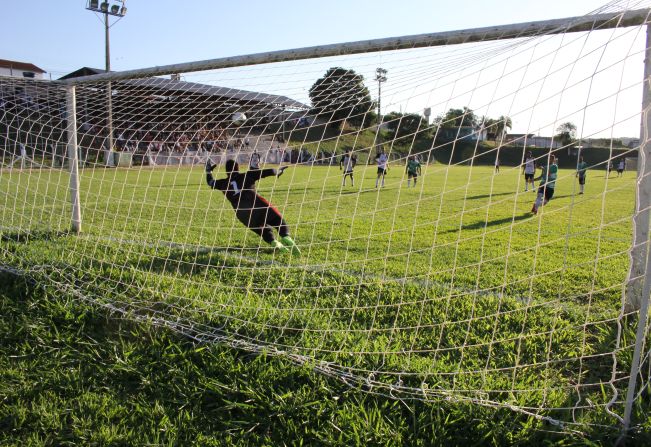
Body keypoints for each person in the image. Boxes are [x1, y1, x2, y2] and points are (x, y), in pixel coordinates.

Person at [205, 159, 300, 254]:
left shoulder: (222, 183)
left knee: (264, 230)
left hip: (242, 214)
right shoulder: (247, 175)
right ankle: (286, 237)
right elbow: (270, 171)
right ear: (237, 168)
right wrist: (279, 171)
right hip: (257, 204)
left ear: (227, 171)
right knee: (278, 220)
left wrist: (209, 171)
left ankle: (274, 242)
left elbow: (210, 182)